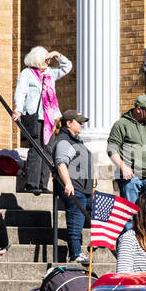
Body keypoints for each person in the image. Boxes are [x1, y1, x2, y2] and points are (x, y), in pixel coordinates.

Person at [12, 47, 71, 193]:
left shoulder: (50, 73)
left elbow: (67, 67)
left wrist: (58, 55)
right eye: (46, 59)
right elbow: (20, 92)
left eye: (49, 59)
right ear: (37, 60)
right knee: (36, 148)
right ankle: (32, 183)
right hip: (34, 117)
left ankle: (43, 184)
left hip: (49, 118)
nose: (48, 62)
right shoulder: (27, 74)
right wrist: (18, 109)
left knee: (48, 149)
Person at [52, 110, 94, 265]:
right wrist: (68, 183)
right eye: (79, 121)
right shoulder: (65, 141)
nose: (82, 124)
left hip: (85, 189)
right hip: (75, 188)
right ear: (69, 123)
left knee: (102, 211)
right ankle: (75, 253)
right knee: (76, 220)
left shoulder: (77, 140)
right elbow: (61, 163)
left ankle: (99, 242)